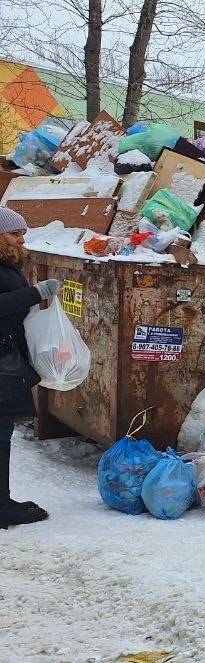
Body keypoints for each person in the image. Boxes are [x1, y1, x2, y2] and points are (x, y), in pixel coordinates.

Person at [0, 206, 59, 528]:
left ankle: (3, 501)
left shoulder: (7, 262)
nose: (22, 240)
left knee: (2, 432)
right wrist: (33, 293)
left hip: (6, 357)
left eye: (24, 233)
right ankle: (2, 508)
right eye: (14, 233)